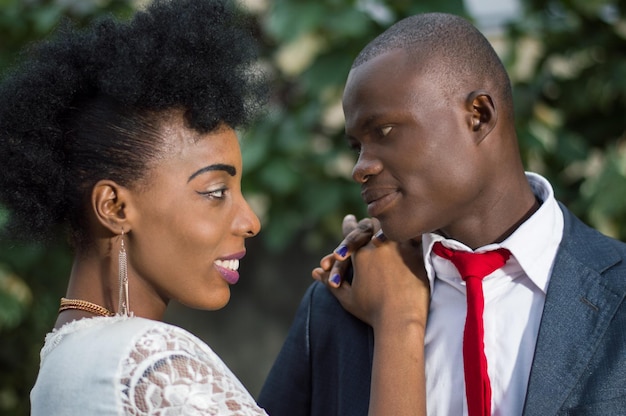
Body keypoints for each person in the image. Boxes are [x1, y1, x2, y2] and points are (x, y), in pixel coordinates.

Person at [0, 0, 430, 414]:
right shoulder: (151, 363)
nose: (251, 222)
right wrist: (401, 318)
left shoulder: (62, 364)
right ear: (114, 207)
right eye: (215, 191)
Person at [258, 12, 626, 416]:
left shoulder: (618, 291)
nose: (360, 167)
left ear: (479, 116)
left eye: (383, 132)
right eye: (355, 146)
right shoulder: (339, 304)